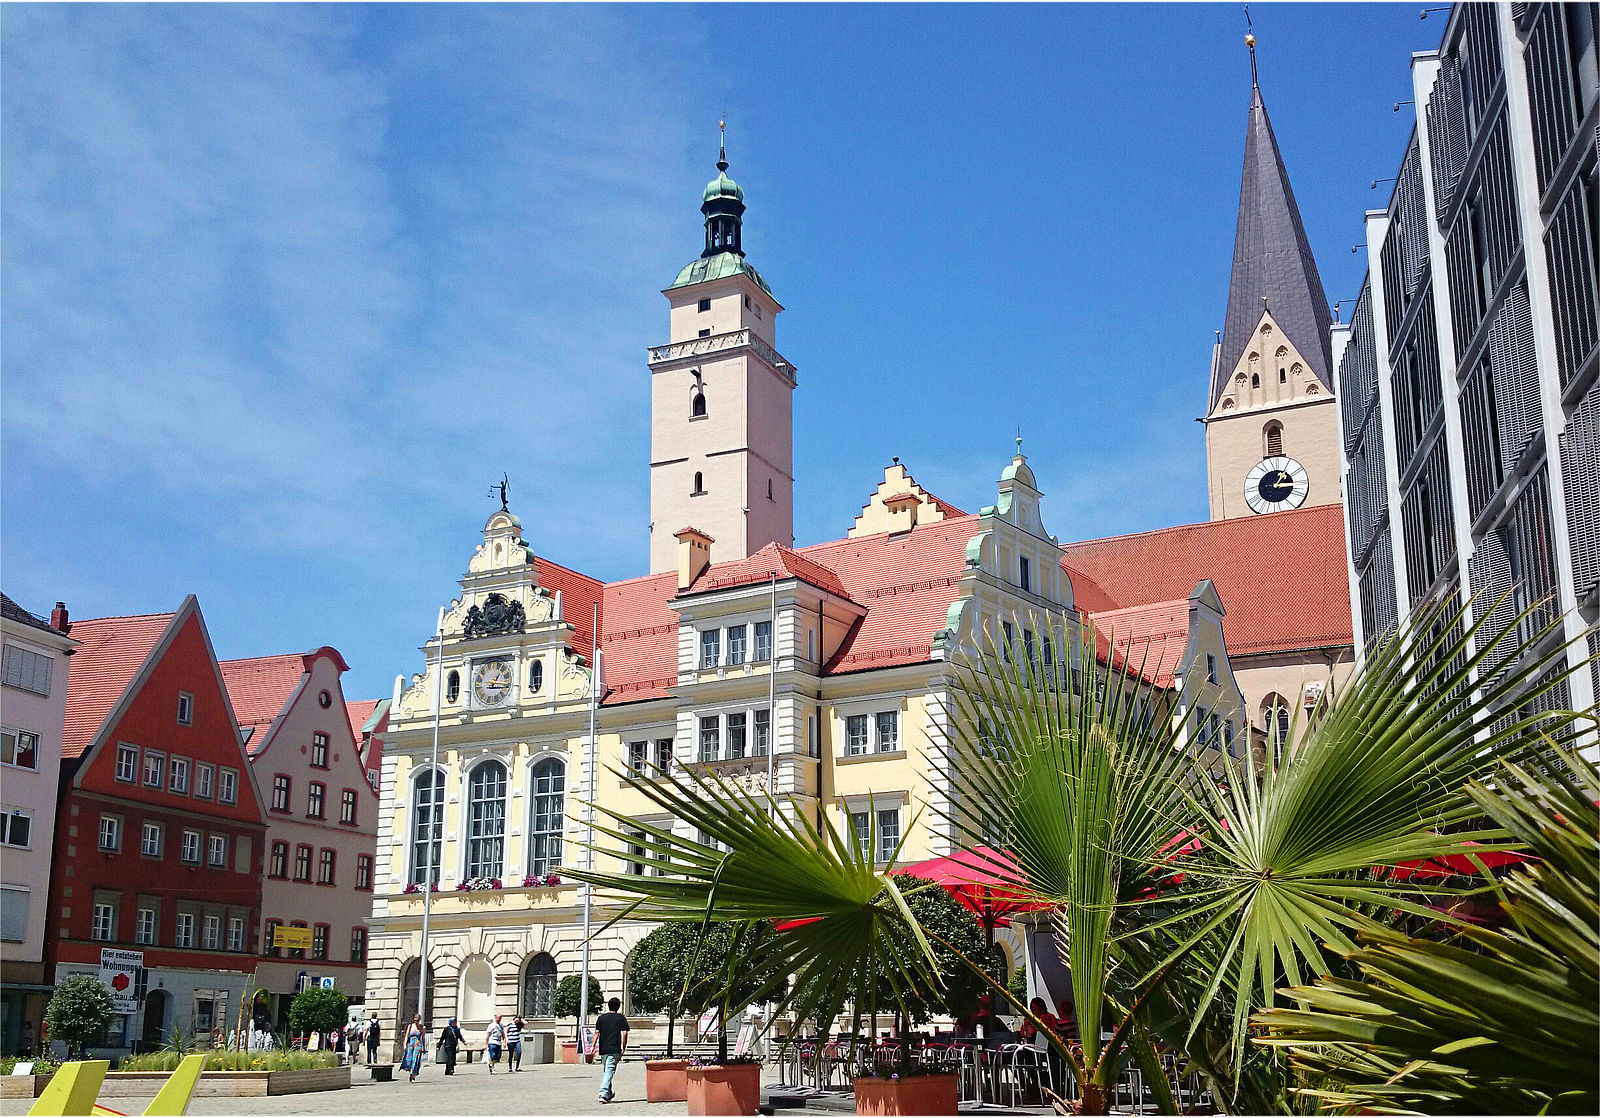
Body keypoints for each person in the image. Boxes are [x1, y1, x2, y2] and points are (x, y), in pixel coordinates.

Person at [595, 997, 629, 1104]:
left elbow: (597, 1032)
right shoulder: (621, 1018)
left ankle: (608, 1093)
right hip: (614, 1048)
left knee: (607, 1070)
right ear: (618, 1007)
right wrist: (623, 1048)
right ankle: (603, 1092)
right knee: (609, 1070)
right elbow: (624, 1033)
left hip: (603, 1048)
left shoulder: (601, 1018)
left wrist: (592, 1045)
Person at [401, 1014, 426, 1083]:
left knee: (416, 1059)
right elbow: (406, 1036)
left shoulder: (422, 1027)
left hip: (418, 1045)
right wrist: (405, 1045)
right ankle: (410, 1071)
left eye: (417, 1020)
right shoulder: (410, 1026)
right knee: (409, 1059)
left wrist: (424, 1047)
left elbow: (423, 1038)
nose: (416, 1022)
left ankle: (412, 1074)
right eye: (415, 1020)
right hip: (411, 1045)